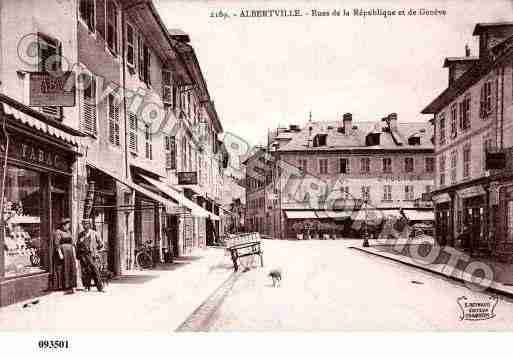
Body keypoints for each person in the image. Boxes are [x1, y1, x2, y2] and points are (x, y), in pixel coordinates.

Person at [76, 218, 104, 292]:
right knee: (85, 271)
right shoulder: (81, 234)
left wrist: (96, 251)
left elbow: (101, 244)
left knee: (95, 271)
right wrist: (78, 255)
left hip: (92, 255)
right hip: (83, 256)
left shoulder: (94, 233)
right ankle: (86, 287)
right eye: (84, 224)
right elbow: (78, 245)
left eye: (87, 224)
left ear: (90, 225)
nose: (85, 226)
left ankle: (100, 287)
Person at [52, 218, 77, 294]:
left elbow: (72, 242)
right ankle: (63, 285)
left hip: (70, 253)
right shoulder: (58, 232)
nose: (68, 226)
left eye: (68, 225)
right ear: (63, 225)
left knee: (70, 268)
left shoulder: (68, 232)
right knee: (63, 268)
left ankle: (70, 285)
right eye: (67, 225)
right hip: (63, 252)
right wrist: (60, 253)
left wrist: (73, 252)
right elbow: (57, 244)